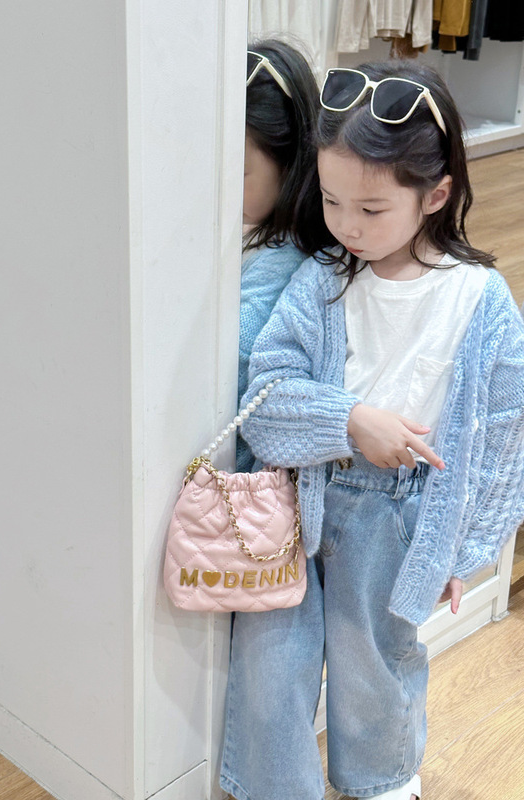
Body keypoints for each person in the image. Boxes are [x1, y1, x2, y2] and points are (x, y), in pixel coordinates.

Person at [220, 60, 524, 800]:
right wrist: (350, 420)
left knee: (376, 667)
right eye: (330, 200)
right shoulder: (321, 281)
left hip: (402, 519)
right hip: (300, 502)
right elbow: (267, 398)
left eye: (371, 208)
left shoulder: (479, 301)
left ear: (436, 195)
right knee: (269, 662)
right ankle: (271, 787)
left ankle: (383, 783)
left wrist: (464, 550)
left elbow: (501, 443)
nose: (346, 226)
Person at [238, 39, 333, 471]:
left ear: (289, 159)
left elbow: (234, 363)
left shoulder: (286, 258)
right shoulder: (249, 229)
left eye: (238, 172)